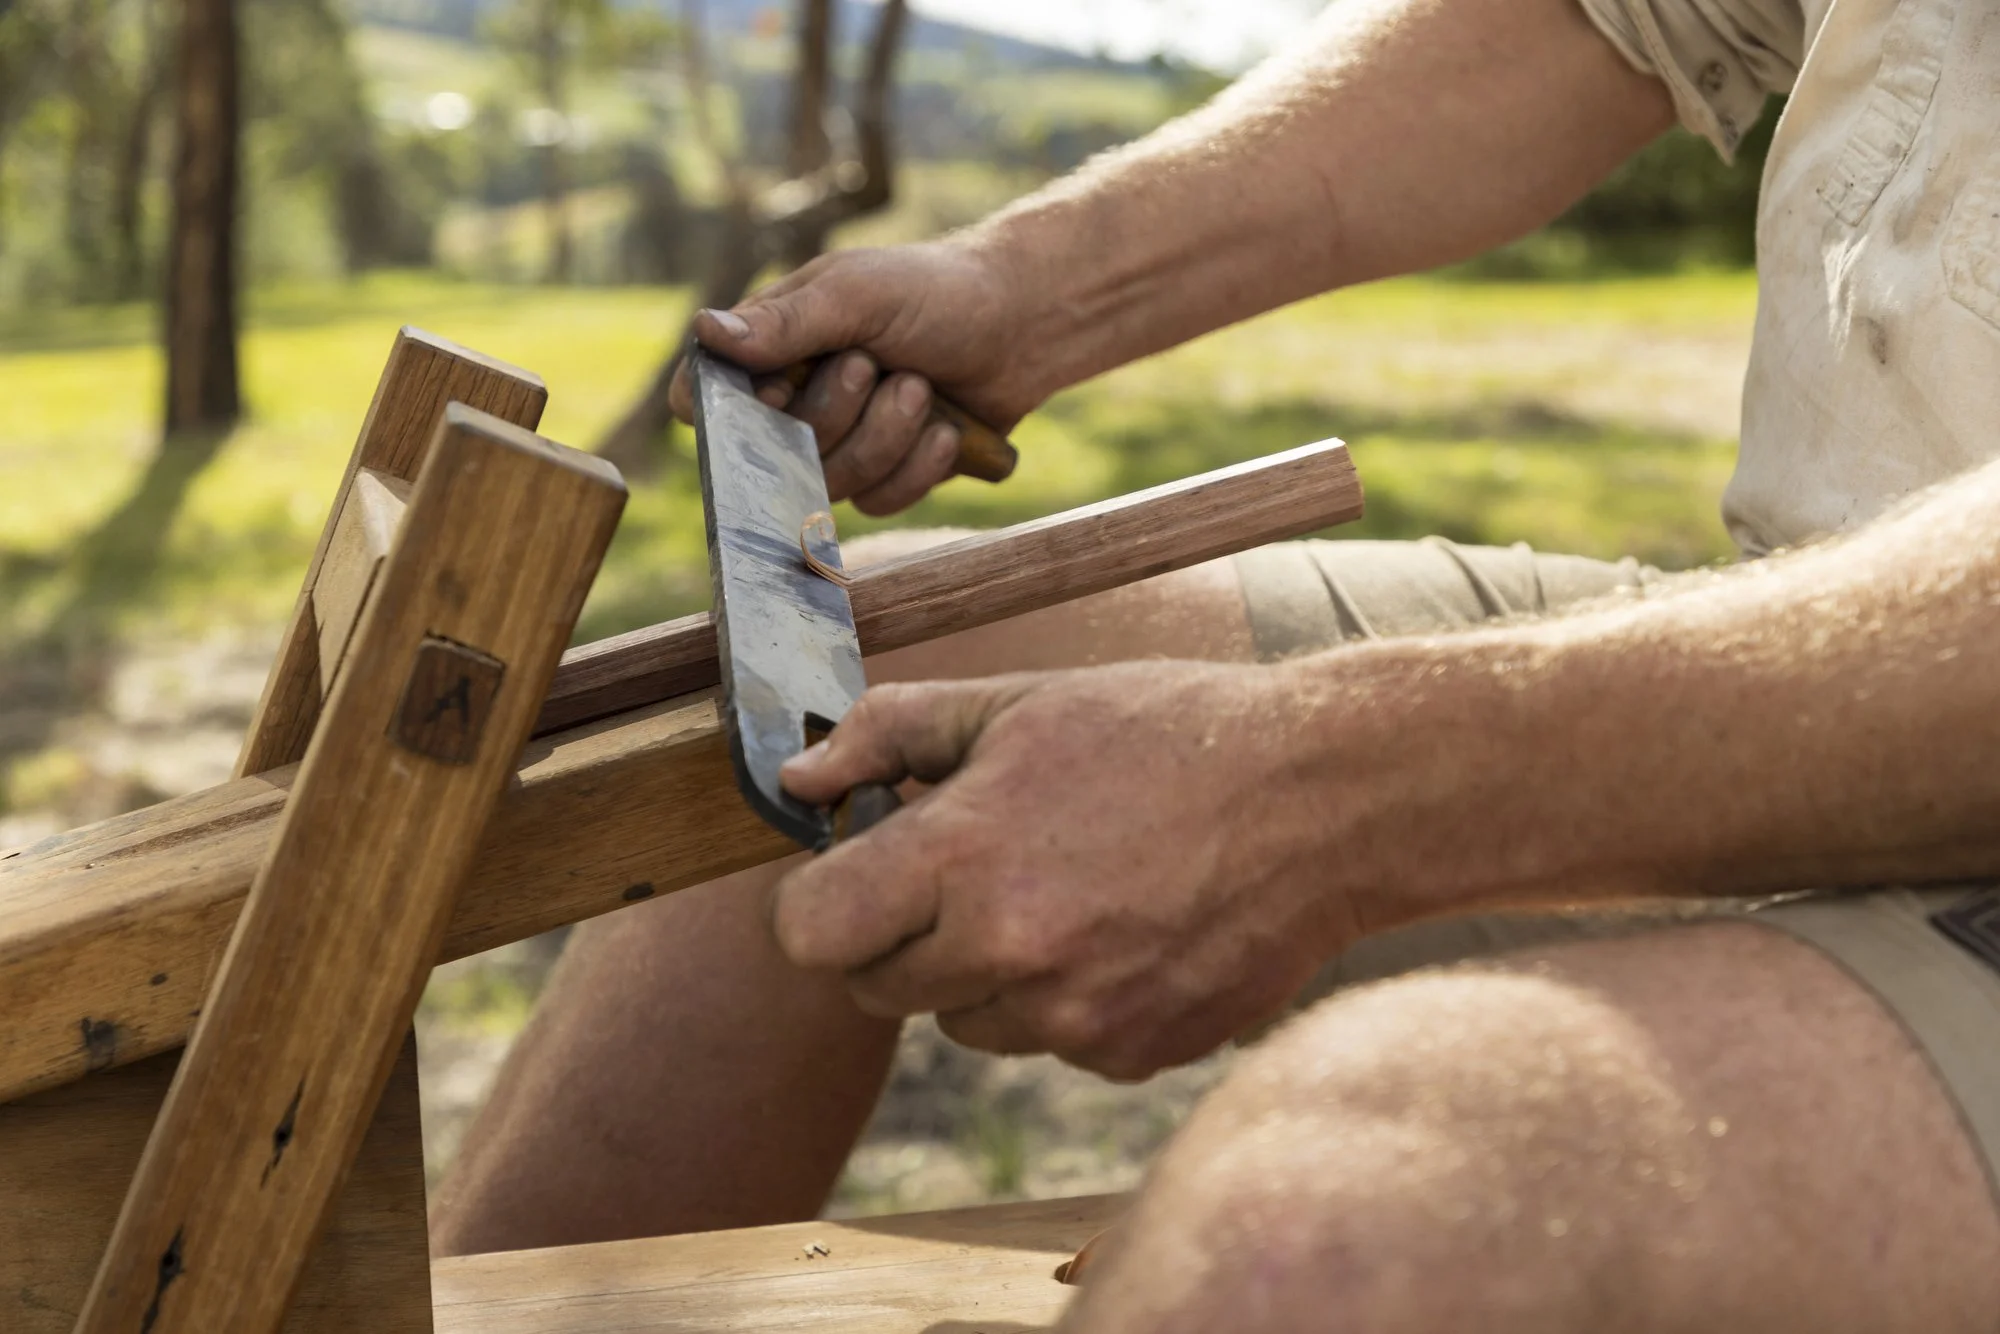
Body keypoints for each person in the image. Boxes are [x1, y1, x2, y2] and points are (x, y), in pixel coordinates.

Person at [432, 0, 2000, 1324]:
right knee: (852, 701)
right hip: (1839, 595)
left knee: (1337, 1225)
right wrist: (1028, 286)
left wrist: (1316, 786)